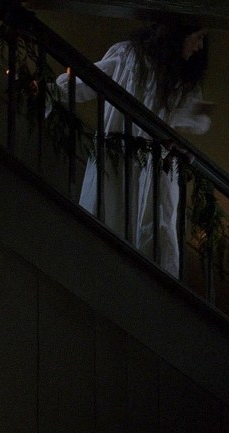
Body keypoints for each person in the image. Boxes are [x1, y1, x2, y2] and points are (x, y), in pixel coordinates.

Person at [50, 20, 212, 277]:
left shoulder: (180, 77)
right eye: (198, 37)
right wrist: (52, 90)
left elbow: (194, 119)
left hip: (152, 167)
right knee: (110, 218)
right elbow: (87, 80)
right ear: (179, 34)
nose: (200, 46)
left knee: (153, 230)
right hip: (117, 157)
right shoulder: (128, 55)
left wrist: (196, 117)